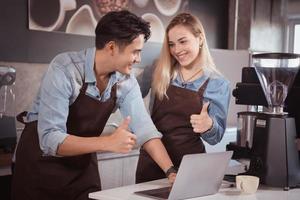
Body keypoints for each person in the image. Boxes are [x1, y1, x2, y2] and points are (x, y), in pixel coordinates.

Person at [11, 10, 176, 200]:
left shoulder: (125, 81)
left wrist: (171, 171)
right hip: (39, 170)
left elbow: (145, 129)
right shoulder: (65, 69)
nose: (138, 59)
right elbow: (49, 140)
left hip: (81, 170)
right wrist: (108, 143)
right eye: (135, 51)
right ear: (112, 47)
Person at [135, 13, 230, 183]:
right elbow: (129, 94)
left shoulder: (218, 83)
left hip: (191, 166)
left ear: (200, 39)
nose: (177, 50)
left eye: (183, 41)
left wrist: (208, 126)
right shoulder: (159, 68)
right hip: (152, 162)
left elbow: (215, 138)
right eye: (172, 44)